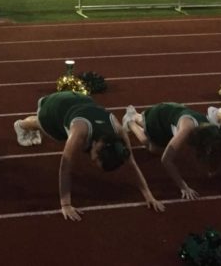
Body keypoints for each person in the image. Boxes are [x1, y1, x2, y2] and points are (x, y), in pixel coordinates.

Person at [13, 91, 165, 221]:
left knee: (66, 131)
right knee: (51, 130)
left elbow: (131, 163)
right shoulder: (80, 132)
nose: (92, 161)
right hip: (56, 106)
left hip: (79, 100)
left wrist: (149, 196)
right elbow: (65, 167)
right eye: (95, 160)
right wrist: (65, 204)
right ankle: (21, 125)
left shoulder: (118, 132)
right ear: (97, 148)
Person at [123, 102, 221, 199]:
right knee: (152, 148)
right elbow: (166, 159)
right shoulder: (187, 129)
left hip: (178, 115)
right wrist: (183, 187)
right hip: (159, 117)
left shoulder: (220, 133)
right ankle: (132, 120)